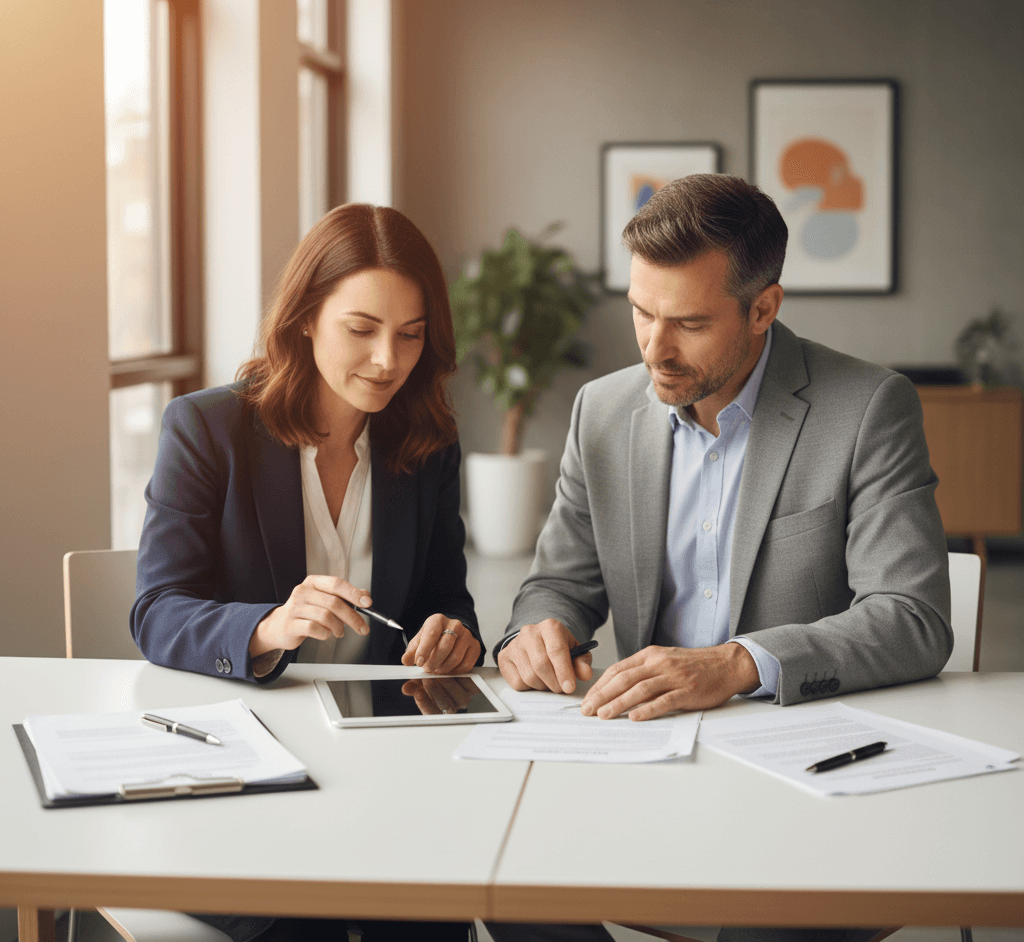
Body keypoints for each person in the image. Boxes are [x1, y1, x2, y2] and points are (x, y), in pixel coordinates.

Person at [489, 174, 952, 942]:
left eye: (690, 323)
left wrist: (736, 664)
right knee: (510, 890)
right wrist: (538, 629)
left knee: (759, 929)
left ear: (764, 308)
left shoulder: (868, 408)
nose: (654, 349)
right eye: (641, 312)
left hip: (807, 775)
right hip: (647, 762)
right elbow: (559, 583)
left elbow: (912, 618)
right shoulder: (601, 410)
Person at [132, 203, 483, 942]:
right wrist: (270, 625)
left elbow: (446, 599)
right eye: (362, 329)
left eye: (411, 334)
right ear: (304, 321)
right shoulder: (207, 430)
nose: (388, 360)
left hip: (385, 767)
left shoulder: (428, 443)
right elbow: (157, 611)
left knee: (435, 916)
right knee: (301, 920)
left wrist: (452, 635)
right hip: (247, 769)